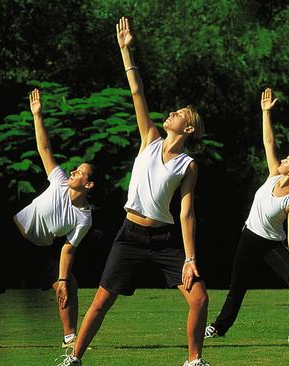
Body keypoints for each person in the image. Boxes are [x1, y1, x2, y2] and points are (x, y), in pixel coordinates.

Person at [56, 17, 210, 366]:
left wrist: (189, 258)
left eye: (179, 113)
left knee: (199, 298)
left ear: (188, 127)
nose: (171, 112)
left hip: (165, 241)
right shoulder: (150, 139)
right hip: (129, 236)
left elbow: (186, 213)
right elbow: (137, 92)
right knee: (100, 302)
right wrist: (126, 50)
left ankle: (194, 361)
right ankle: (74, 358)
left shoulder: (188, 165)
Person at [203, 87, 289, 344]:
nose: (282, 160)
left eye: (287, 160)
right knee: (237, 288)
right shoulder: (273, 175)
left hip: (271, 244)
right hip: (249, 238)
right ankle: (218, 328)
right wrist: (265, 113)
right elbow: (269, 142)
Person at [13, 88, 95, 349]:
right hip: (11, 236)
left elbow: (67, 249)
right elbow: (44, 147)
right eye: (75, 169)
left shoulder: (84, 217)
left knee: (69, 283)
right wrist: (37, 115)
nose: (73, 171)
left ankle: (70, 338)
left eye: (80, 172)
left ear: (89, 185)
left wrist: (61, 280)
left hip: (41, 249)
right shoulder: (59, 180)